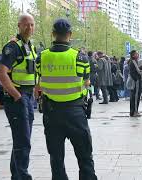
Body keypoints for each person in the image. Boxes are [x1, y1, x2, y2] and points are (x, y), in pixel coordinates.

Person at [38, 18, 98, 180]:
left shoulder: (41, 57)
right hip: (75, 112)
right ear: (70, 35)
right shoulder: (80, 57)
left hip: (51, 113)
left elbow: (39, 81)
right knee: (85, 156)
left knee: (56, 159)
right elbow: (87, 82)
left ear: (53, 34)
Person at [0, 13, 38, 180]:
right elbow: (1, 73)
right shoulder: (12, 47)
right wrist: (17, 96)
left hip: (27, 97)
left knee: (22, 140)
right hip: (18, 98)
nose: (30, 28)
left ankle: (17, 176)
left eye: (32, 24)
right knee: (23, 141)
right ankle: (23, 176)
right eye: (26, 24)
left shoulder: (30, 46)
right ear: (19, 26)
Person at [129, 50, 142, 117]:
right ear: (133, 55)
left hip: (136, 81)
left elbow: (136, 70)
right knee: (135, 97)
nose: (138, 55)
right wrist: (136, 79)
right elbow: (133, 72)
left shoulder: (134, 61)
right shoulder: (133, 62)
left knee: (135, 97)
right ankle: (134, 112)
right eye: (137, 54)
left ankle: (134, 111)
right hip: (136, 82)